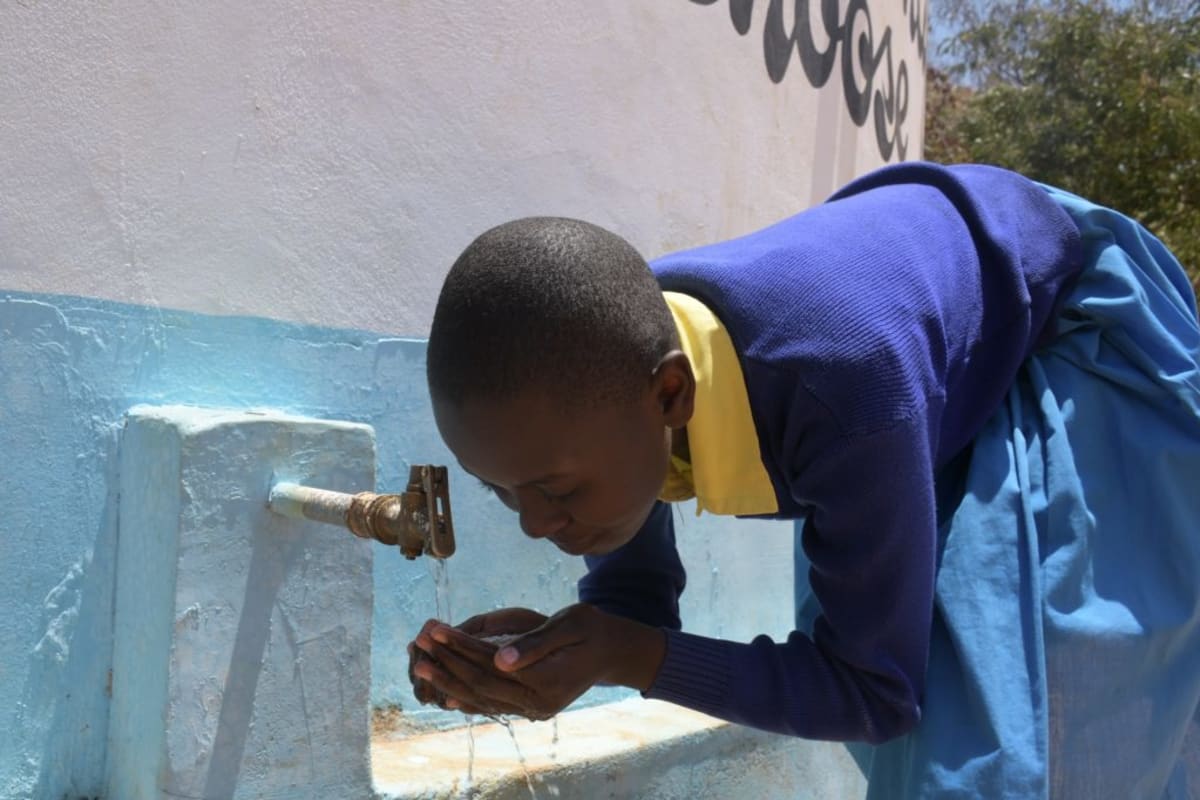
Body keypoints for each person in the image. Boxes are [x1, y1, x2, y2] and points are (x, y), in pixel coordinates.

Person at [408, 161, 1200, 798]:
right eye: (502, 491)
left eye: (555, 491)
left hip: (1062, 315)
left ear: (672, 395)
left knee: (1014, 740)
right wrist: (556, 652)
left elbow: (877, 692)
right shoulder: (600, 365)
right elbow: (634, 607)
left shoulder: (842, 396)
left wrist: (627, 655)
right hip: (911, 326)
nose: (535, 525)